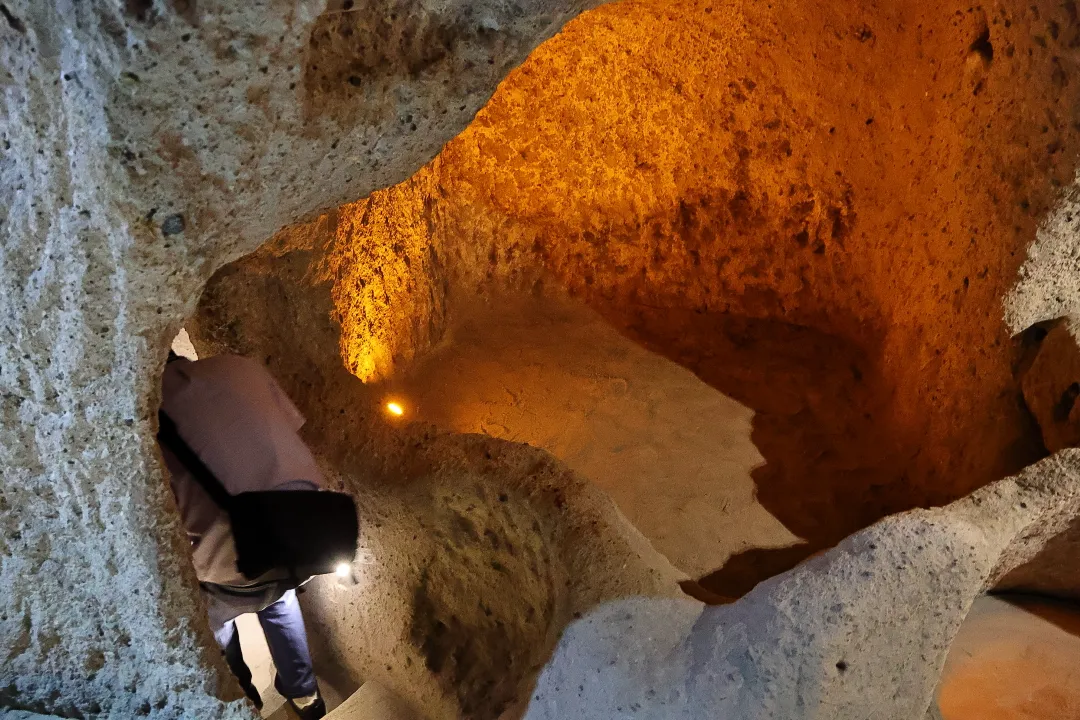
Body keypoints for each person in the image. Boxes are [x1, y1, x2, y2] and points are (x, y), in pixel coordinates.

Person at [158, 352, 327, 720]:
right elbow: (288, 427)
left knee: (213, 617)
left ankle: (242, 695)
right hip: (310, 534)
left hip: (231, 571)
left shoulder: (151, 415)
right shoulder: (240, 366)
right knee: (279, 598)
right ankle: (306, 697)